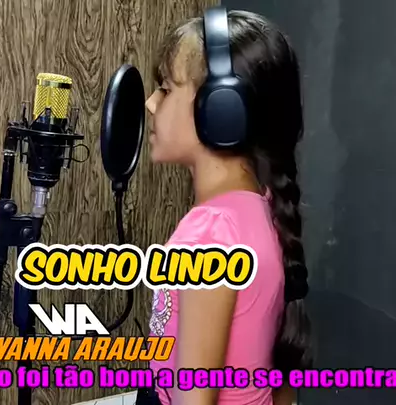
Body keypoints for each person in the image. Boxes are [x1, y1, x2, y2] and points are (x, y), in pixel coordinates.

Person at [139, 8, 312, 405]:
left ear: (220, 110)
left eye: (166, 88)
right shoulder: (261, 207)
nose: (151, 103)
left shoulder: (209, 236)